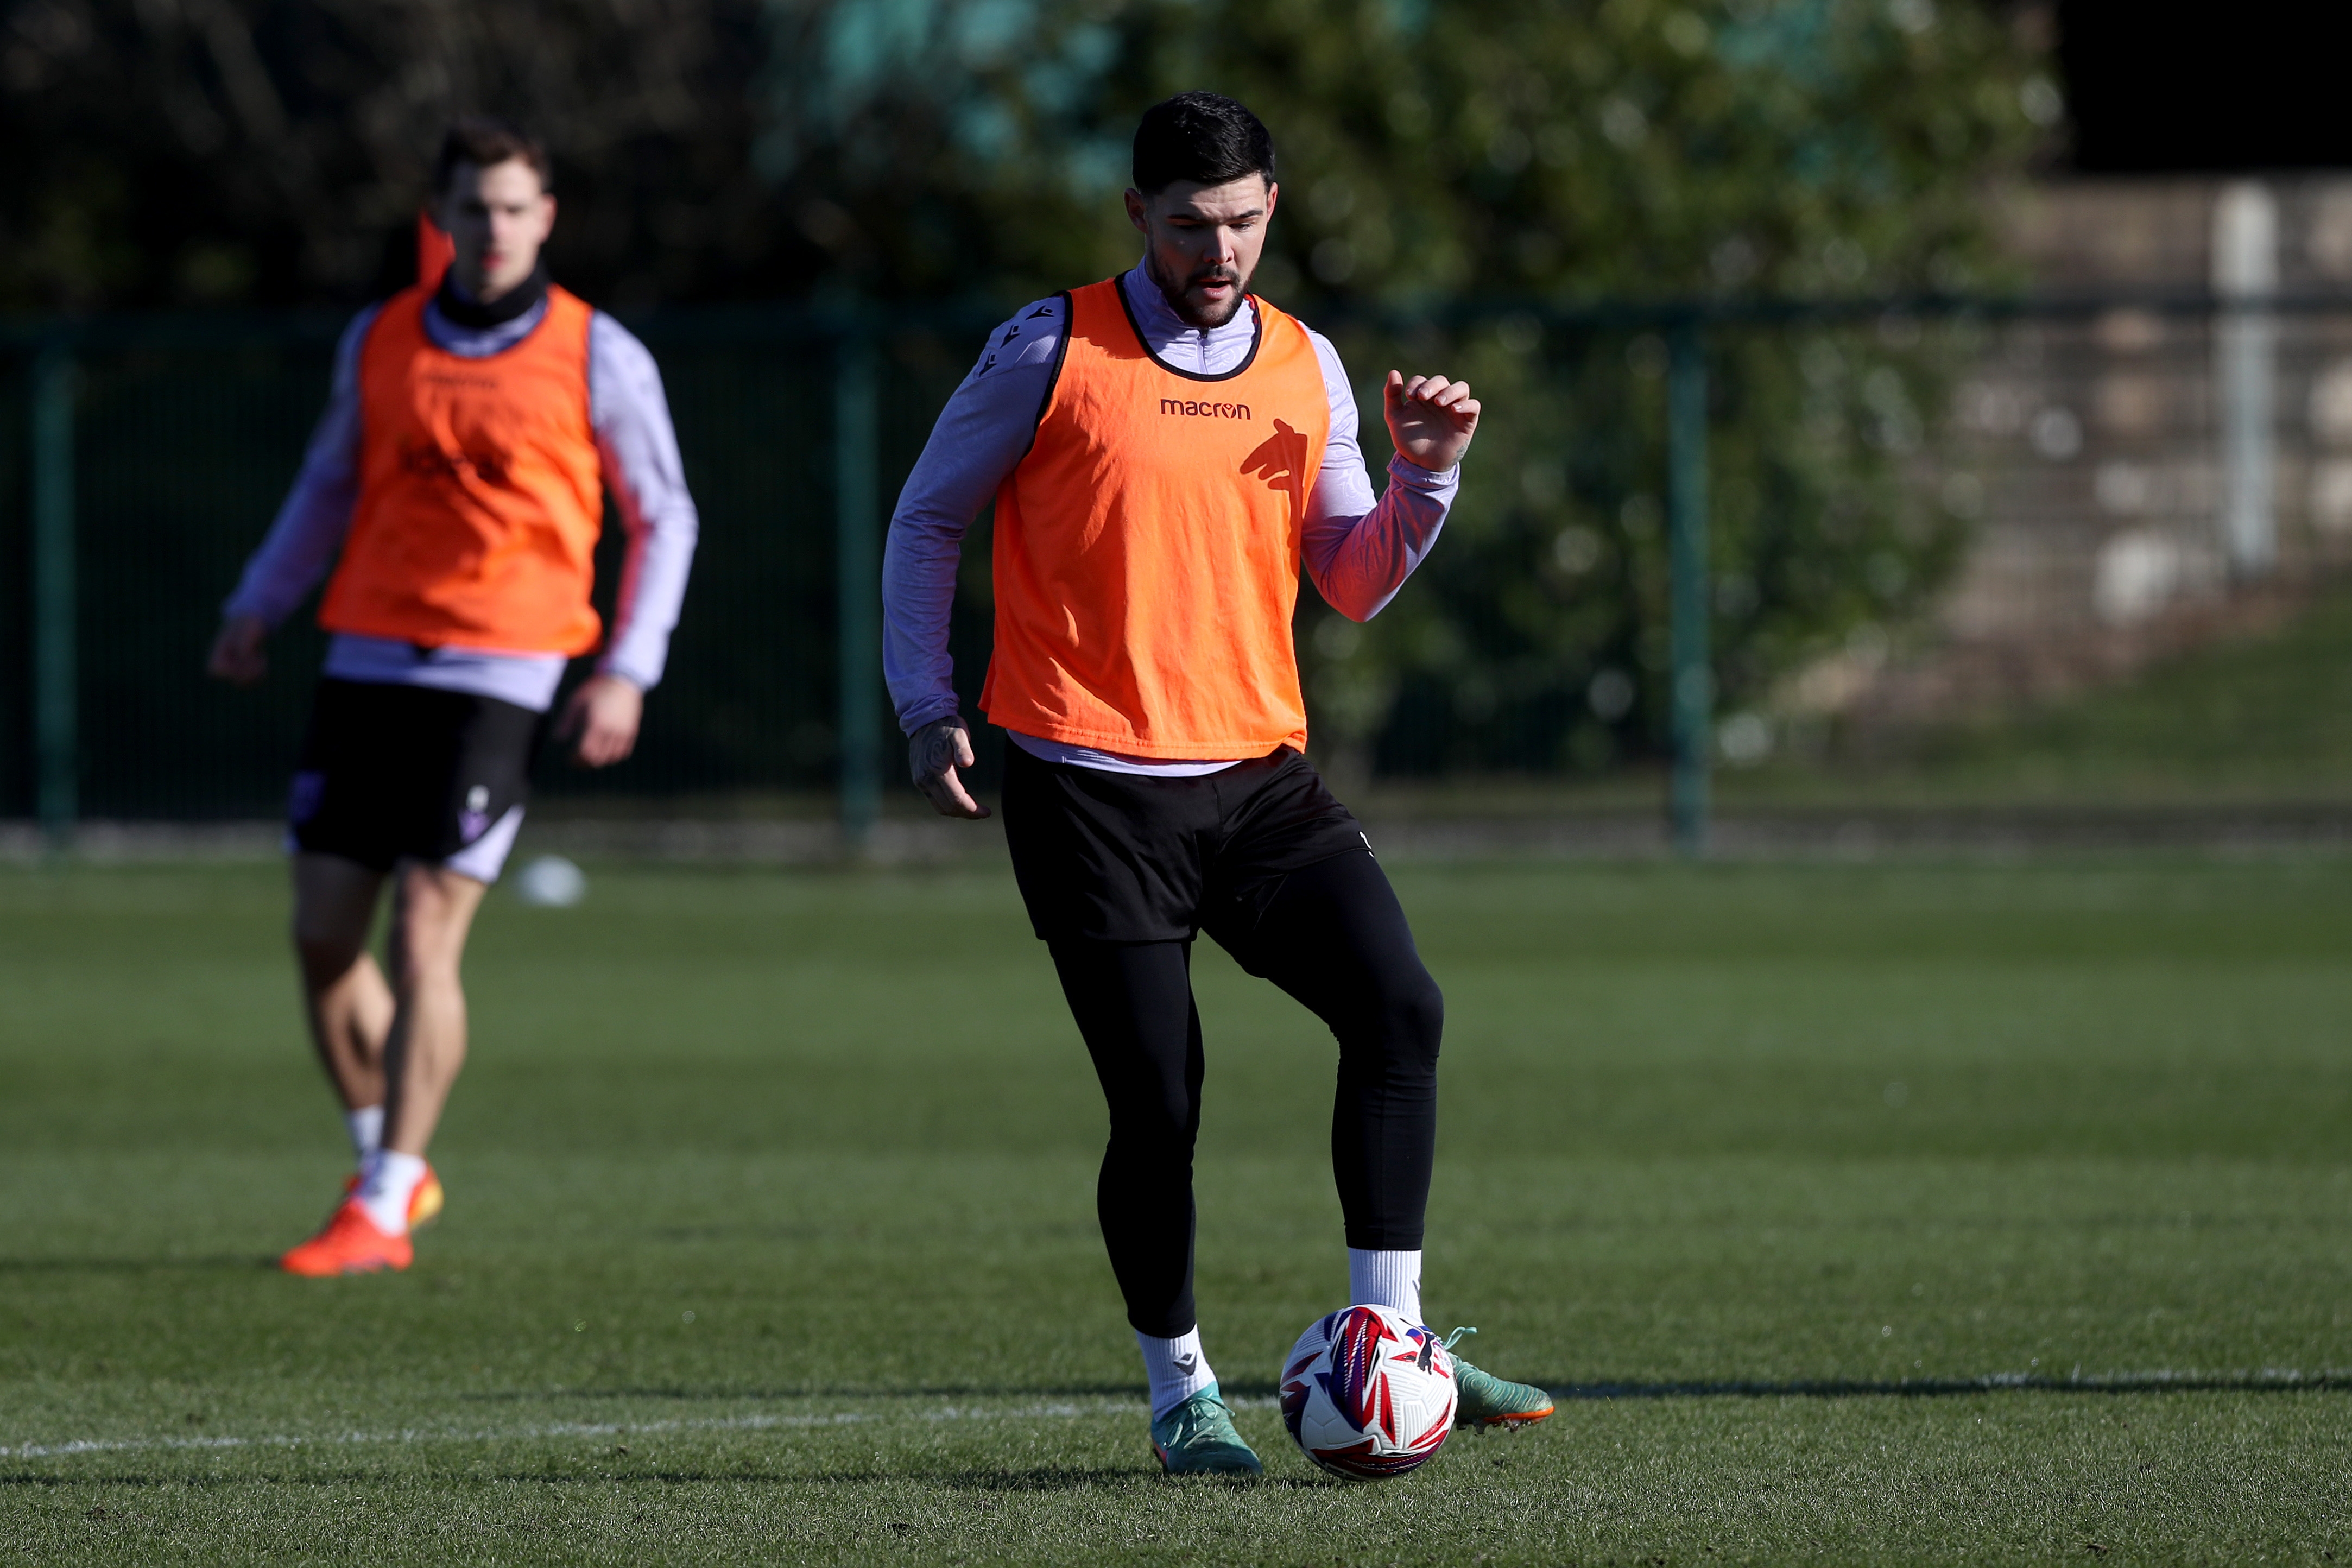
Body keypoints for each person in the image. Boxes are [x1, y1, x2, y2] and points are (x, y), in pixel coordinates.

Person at [882, 91, 1552, 1474]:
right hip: (1085, 782)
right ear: (1138, 214)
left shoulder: (1307, 363)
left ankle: (1395, 1341)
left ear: (1271, 209)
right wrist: (926, 704)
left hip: (1255, 778)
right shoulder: (1052, 345)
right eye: (1191, 224)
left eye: (1245, 220)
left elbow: (1352, 582)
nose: (1221, 249)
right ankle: (1183, 1390)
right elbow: (928, 517)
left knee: (1397, 1003)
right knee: (1162, 1105)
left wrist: (1430, 480)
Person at [207, 116, 698, 1278]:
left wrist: (629, 665)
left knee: (425, 928)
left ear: (547, 219)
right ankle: (392, 1160)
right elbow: (330, 484)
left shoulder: (598, 353)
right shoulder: (381, 340)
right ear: (441, 219)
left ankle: (378, 1206)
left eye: (516, 208)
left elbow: (663, 514)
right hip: (368, 657)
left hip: (506, 668)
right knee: (323, 934)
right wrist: (257, 601)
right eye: (474, 209)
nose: (494, 230)